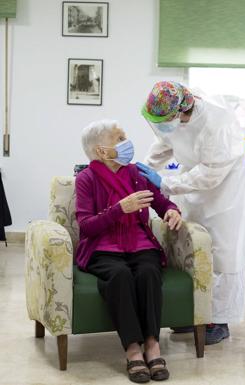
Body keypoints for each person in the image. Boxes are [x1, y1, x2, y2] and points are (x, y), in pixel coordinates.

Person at [137, 81, 245, 345]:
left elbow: (210, 173)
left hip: (227, 188)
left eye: (163, 121)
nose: (160, 125)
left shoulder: (218, 121)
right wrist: (142, 168)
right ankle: (193, 313)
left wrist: (164, 182)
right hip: (194, 181)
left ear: (179, 112)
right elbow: (164, 144)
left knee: (223, 253)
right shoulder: (171, 117)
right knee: (191, 245)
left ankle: (219, 321)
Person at [76, 119, 182, 383]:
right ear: (101, 151)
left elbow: (161, 201)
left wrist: (172, 210)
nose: (127, 141)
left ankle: (152, 345)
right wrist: (119, 209)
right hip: (103, 248)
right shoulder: (86, 179)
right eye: (119, 138)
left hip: (140, 244)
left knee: (148, 272)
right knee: (120, 275)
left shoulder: (135, 173)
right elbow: (87, 226)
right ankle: (133, 350)